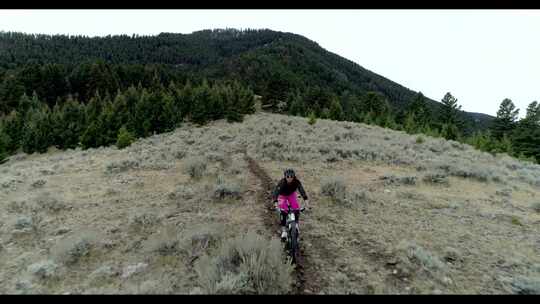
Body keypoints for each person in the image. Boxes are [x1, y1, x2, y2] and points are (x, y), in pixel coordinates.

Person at [272, 168, 310, 240]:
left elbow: (302, 191)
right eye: (287, 176)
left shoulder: (296, 182)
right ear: (285, 176)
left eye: (291, 176)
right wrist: (275, 203)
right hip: (282, 196)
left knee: (296, 209)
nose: (289, 178)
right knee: (283, 210)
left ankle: (296, 225)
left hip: (291, 194)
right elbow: (276, 193)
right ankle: (284, 231)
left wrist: (307, 203)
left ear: (294, 176)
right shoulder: (282, 183)